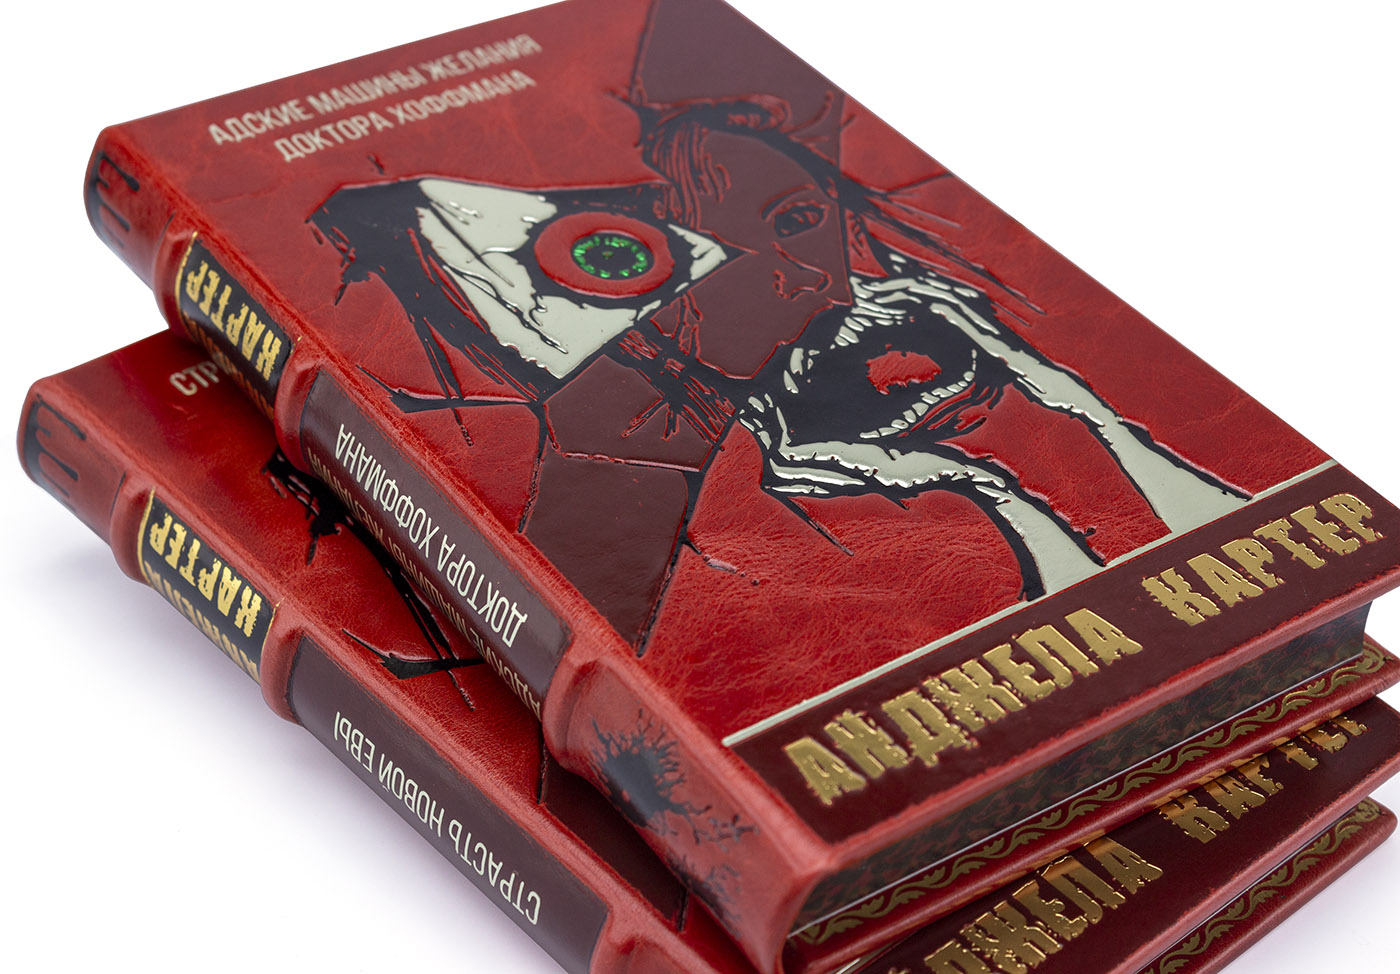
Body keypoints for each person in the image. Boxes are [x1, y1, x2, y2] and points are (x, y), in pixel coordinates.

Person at [312, 95, 1247, 648]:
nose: (804, 279)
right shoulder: (709, 532)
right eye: (707, 260)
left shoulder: (976, 338)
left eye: (801, 219)